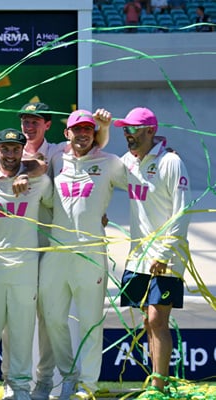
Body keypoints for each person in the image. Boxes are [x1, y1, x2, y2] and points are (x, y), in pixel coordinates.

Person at [38, 110, 127, 400]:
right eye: (77, 129)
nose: (82, 134)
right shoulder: (56, 159)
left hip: (90, 253)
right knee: (52, 317)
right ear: (67, 134)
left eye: (88, 129)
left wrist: (163, 156)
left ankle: (86, 385)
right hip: (56, 251)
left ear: (94, 133)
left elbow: (138, 179)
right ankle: (68, 377)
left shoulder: (110, 163)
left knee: (91, 320)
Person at [0, 128, 53, 400]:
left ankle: (18, 388)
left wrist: (30, 172)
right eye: (5, 149)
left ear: (22, 151)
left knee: (21, 331)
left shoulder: (39, 183)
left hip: (25, 268)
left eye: (15, 149)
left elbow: (58, 206)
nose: (10, 154)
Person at [114, 107, 191, 394]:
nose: (127, 134)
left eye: (133, 129)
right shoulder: (126, 162)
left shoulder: (171, 162)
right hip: (139, 257)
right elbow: (103, 181)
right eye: (125, 129)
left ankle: (158, 387)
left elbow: (182, 212)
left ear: (149, 131)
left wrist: (165, 253)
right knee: (147, 320)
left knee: (158, 319)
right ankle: (155, 383)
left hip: (166, 255)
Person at [17, 102, 62, 400]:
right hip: (15, 247)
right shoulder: (8, 149)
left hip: (47, 246)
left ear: (47, 124)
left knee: (47, 315)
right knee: (15, 316)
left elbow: (96, 146)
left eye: (35, 121)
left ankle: (45, 382)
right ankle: (15, 383)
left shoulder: (59, 151)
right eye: (25, 120)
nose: (29, 126)